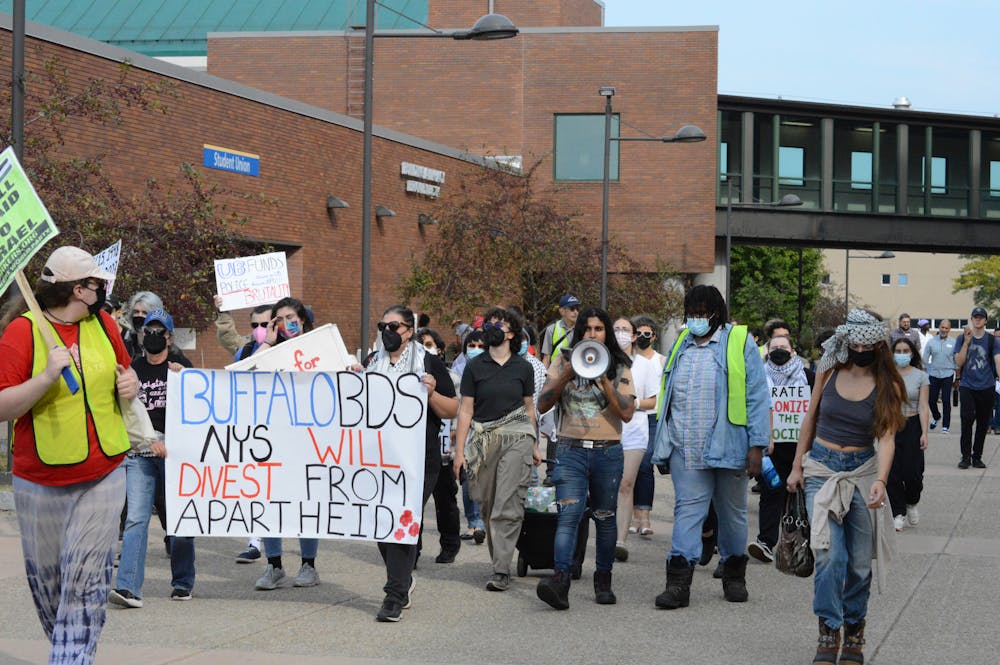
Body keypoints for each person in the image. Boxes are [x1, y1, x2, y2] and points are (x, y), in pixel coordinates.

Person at [0, 245, 138, 665]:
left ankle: (70, 657)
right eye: (98, 283)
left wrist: (128, 383)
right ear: (80, 289)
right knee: (50, 589)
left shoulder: (105, 326)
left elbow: (125, 371)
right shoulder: (23, 332)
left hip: (104, 473)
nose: (104, 289)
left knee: (86, 583)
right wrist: (45, 377)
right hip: (39, 481)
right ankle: (69, 648)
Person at [786, 308, 905, 665]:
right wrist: (796, 466)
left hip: (862, 472)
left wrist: (881, 481)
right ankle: (828, 629)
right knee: (828, 554)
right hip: (821, 469)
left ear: (877, 344)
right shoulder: (828, 368)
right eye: (852, 341)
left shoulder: (889, 383)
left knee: (857, 563)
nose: (858, 347)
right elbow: (811, 416)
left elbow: (886, 438)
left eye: (865, 343)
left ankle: (854, 631)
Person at [649, 285, 769, 610]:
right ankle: (677, 585)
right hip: (686, 447)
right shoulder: (680, 344)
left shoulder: (739, 342)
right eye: (691, 312)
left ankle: (733, 574)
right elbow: (668, 395)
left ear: (717, 312)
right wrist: (663, 445)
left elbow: (757, 395)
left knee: (732, 515)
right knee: (687, 511)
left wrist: (757, 445)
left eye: (702, 312)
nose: (695, 318)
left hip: (731, 448)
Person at [535, 307, 634, 609]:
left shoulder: (619, 365)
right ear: (580, 332)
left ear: (607, 333)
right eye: (587, 329)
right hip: (570, 450)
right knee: (568, 518)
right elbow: (541, 404)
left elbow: (627, 413)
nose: (593, 334)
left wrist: (603, 380)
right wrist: (567, 372)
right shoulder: (563, 359)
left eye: (599, 329)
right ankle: (560, 580)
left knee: (605, 518)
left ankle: (603, 578)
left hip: (607, 451)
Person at [366, 307, 458, 621]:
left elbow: (451, 409)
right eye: (382, 326)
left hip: (420, 458)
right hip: (379, 458)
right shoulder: (371, 363)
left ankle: (393, 596)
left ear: (409, 329)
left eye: (394, 325)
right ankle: (403, 580)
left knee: (401, 522)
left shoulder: (428, 362)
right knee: (380, 523)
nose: (387, 331)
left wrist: (430, 393)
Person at [110, 309, 196, 608]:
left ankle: (183, 582)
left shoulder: (182, 368)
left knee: (179, 519)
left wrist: (185, 379)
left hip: (176, 454)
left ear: (170, 337)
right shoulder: (132, 370)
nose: (154, 336)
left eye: (161, 331)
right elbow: (126, 414)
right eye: (149, 331)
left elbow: (198, 410)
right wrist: (148, 440)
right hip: (141, 454)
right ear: (141, 335)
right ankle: (128, 587)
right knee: (136, 518)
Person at [453, 307, 540, 593]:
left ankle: (501, 569)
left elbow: (529, 408)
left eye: (499, 324)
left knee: (507, 503)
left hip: (517, 436)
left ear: (512, 333)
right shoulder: (475, 367)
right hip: (484, 439)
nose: (492, 327)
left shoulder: (523, 367)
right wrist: (459, 451)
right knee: (489, 504)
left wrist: (535, 443)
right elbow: (466, 410)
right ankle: (500, 560)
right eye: (489, 323)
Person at [251, 297, 323, 591]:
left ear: (303, 319)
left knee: (307, 501)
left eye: (291, 317)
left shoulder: (321, 347)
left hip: (310, 440)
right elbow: (245, 375)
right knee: (271, 501)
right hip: (274, 439)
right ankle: (274, 565)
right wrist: (267, 343)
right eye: (278, 319)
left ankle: (309, 565)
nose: (286, 323)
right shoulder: (267, 351)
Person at [748, 333, 811, 563]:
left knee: (801, 495)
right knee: (771, 491)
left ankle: (803, 542)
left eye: (783, 347)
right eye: (774, 347)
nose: (779, 350)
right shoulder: (757, 378)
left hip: (801, 447)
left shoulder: (809, 378)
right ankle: (766, 542)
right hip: (770, 447)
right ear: (767, 351)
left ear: (793, 351)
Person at [611, 316, 657, 563]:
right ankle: (608, 535)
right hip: (607, 430)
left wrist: (632, 402)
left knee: (626, 484)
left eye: (625, 329)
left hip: (635, 431)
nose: (620, 333)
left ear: (634, 335)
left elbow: (653, 400)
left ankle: (620, 541)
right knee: (606, 486)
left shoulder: (645, 365)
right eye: (616, 329)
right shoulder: (604, 361)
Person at [415, 327, 462, 565]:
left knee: (445, 500)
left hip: (444, 449)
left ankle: (450, 543)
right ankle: (414, 549)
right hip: (422, 449)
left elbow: (456, 411)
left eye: (430, 344)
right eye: (421, 343)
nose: (426, 348)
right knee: (417, 502)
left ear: (440, 349)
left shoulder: (449, 377)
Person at [888, 337, 929, 531]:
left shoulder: (921, 376)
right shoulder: (887, 375)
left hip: (913, 424)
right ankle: (898, 512)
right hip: (892, 424)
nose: (902, 354)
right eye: (899, 351)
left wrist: (925, 433)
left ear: (912, 354)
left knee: (913, 473)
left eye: (906, 351)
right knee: (892, 472)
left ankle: (912, 501)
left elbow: (923, 405)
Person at [630, 315, 666, 537]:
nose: (643, 337)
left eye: (647, 334)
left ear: (653, 336)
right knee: (632, 468)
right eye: (639, 333)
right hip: (631, 417)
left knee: (645, 464)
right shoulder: (628, 360)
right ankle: (634, 516)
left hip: (653, 418)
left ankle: (645, 516)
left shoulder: (661, 361)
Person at [952, 307, 1000, 469]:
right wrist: (966, 342)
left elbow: (998, 361)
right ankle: (965, 457)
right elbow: (958, 362)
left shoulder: (993, 341)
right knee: (966, 421)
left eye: (981, 317)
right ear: (971, 319)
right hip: (967, 386)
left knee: (982, 423)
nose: (978, 320)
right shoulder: (961, 338)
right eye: (975, 317)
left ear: (986, 321)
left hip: (987, 386)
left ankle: (977, 457)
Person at [454, 330, 487, 544]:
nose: (475, 349)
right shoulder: (457, 371)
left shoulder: (492, 371)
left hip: (485, 433)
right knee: (467, 482)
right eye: (471, 345)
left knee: (482, 481)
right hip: (464, 434)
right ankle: (473, 522)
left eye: (480, 345)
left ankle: (482, 523)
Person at [922, 319, 956, 433]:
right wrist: (923, 371)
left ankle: (945, 426)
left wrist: (957, 375)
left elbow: (956, 359)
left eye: (946, 328)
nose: (944, 330)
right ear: (939, 327)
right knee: (931, 400)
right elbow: (925, 359)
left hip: (948, 374)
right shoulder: (931, 342)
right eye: (942, 327)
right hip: (934, 374)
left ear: (949, 329)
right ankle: (936, 417)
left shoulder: (954, 342)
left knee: (946, 401)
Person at [122, 291, 164, 359]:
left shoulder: (166, 346)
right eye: (136, 312)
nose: (139, 315)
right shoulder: (125, 341)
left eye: (145, 312)